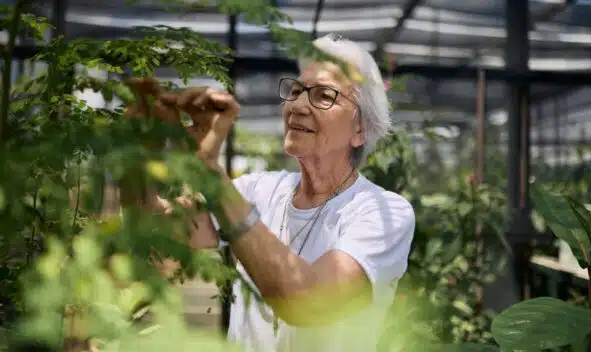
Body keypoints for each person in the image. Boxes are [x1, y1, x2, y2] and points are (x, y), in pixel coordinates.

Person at [127, 33, 415, 352]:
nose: (298, 105)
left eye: (323, 96)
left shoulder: (382, 212)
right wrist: (140, 148)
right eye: (296, 90)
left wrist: (210, 171)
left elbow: (307, 302)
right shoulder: (259, 190)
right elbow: (156, 240)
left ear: (360, 129)